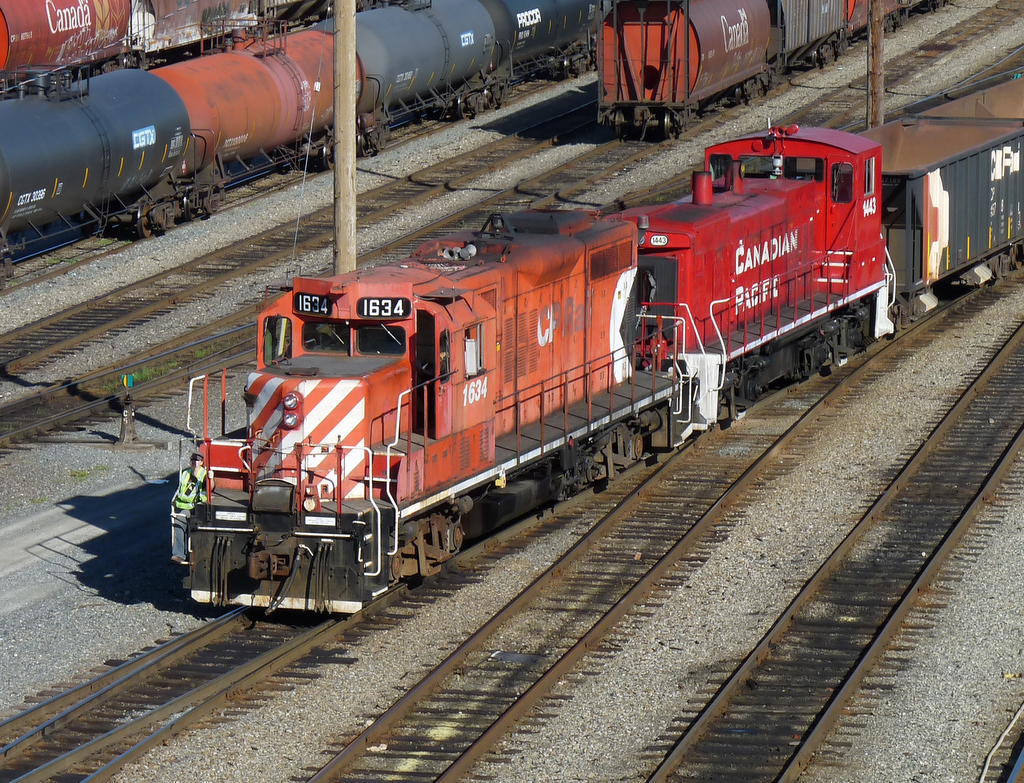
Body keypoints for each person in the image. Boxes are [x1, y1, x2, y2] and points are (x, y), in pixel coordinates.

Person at [171, 452, 213, 564]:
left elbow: (210, 488)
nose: (195, 462)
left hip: (198, 507)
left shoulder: (204, 475)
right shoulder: (185, 474)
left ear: (202, 462)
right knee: (179, 521)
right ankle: (178, 554)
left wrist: (211, 479)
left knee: (189, 523)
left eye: (197, 460)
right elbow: (180, 490)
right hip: (184, 507)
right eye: (193, 460)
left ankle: (190, 553)